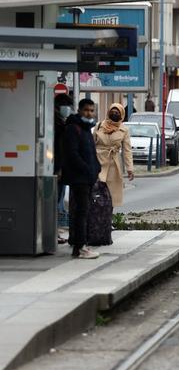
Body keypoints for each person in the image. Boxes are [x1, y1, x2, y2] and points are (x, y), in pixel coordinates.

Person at [61, 99, 101, 259]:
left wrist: (96, 169)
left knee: (84, 212)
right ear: (79, 110)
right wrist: (87, 169)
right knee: (81, 212)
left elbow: (91, 152)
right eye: (86, 110)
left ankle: (80, 246)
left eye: (92, 110)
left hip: (88, 177)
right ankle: (80, 247)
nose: (89, 113)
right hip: (79, 178)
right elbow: (72, 154)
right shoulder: (73, 128)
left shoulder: (86, 129)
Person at [92, 103, 134, 245]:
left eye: (117, 112)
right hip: (98, 162)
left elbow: (127, 150)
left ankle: (107, 221)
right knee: (96, 194)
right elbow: (91, 144)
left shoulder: (124, 130)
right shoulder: (99, 126)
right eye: (112, 111)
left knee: (110, 197)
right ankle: (95, 220)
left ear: (121, 114)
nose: (114, 114)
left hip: (113, 165)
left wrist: (130, 168)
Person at [54, 93, 73, 244]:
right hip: (56, 169)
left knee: (57, 201)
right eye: (67, 107)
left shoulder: (59, 121)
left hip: (59, 168)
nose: (68, 110)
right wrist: (59, 168)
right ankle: (53, 233)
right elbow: (58, 148)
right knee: (55, 201)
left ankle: (54, 233)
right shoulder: (57, 123)